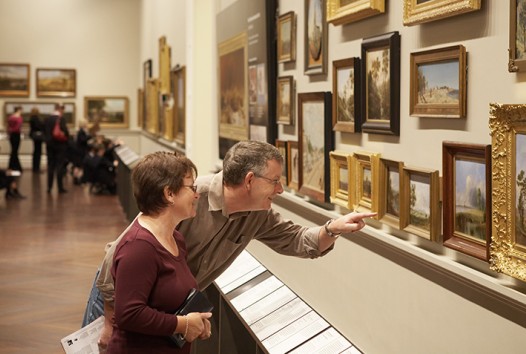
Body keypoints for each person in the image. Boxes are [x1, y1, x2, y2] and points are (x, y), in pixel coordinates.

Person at [88, 140, 376, 350]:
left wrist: (332, 229)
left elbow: (298, 240)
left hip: (164, 316)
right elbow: (116, 259)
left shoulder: (257, 215)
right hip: (118, 301)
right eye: (275, 181)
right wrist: (110, 322)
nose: (280, 190)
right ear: (250, 180)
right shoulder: (188, 198)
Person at [105, 151, 212, 353]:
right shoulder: (139, 247)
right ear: (169, 194)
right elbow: (129, 313)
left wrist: (196, 321)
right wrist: (183, 324)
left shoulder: (176, 239)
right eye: (191, 187)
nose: (197, 195)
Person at [44, 103, 69, 194]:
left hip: (49, 145)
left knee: (50, 166)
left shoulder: (47, 119)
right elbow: (65, 132)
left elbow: (45, 132)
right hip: (60, 145)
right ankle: (60, 187)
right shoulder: (61, 119)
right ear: (60, 109)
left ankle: (49, 187)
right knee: (59, 166)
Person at [7, 106, 23, 172]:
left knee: (13, 150)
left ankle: (13, 166)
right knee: (15, 151)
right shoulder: (19, 118)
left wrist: (10, 132)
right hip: (16, 135)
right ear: (18, 110)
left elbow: (8, 126)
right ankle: (16, 167)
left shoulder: (10, 117)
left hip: (11, 135)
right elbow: (17, 128)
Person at [29, 107, 45, 172]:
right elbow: (38, 126)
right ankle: (36, 168)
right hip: (38, 137)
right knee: (38, 152)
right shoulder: (35, 118)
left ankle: (35, 167)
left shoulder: (32, 118)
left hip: (35, 136)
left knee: (36, 152)